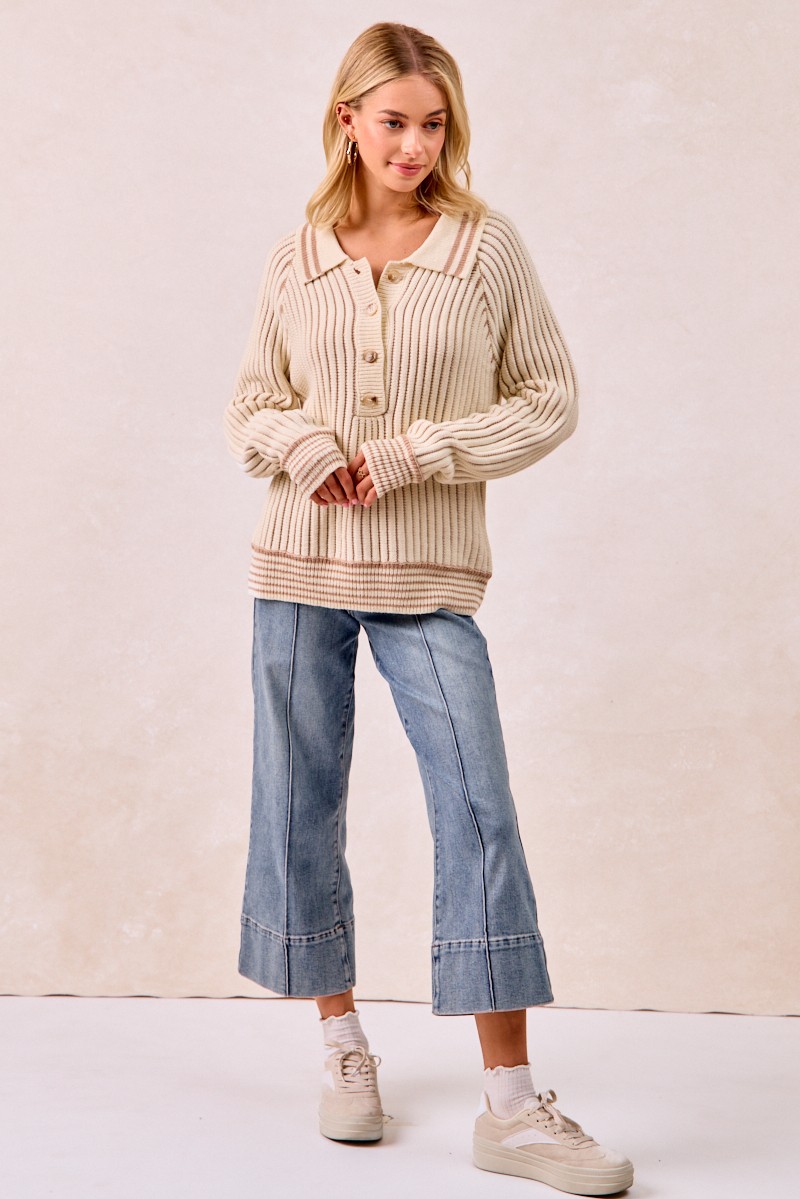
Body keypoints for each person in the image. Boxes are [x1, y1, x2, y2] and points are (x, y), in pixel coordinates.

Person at [222, 20, 633, 1197]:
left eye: (433, 124)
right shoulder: (296, 255)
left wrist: (415, 453)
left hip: (426, 577)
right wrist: (302, 443)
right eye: (393, 121)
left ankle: (510, 1103)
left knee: (476, 809)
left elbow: (546, 397)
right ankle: (341, 1044)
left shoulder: (483, 248)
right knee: (297, 805)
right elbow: (250, 403)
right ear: (346, 120)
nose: (413, 145)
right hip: (296, 569)